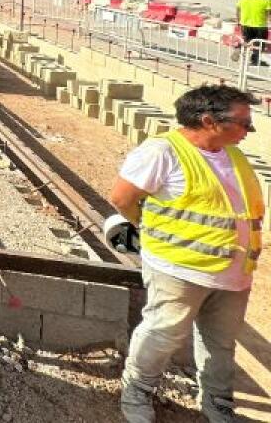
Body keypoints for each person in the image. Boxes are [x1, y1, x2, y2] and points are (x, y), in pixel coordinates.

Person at [108, 84, 263, 423]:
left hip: (233, 274)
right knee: (162, 334)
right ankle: (136, 392)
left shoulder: (233, 155)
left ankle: (217, 403)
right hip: (179, 270)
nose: (249, 131)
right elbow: (122, 198)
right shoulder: (163, 152)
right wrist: (149, 231)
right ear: (209, 121)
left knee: (221, 344)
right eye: (243, 123)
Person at [236, 0, 271, 65]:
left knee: (246, 40)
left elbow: (238, 11)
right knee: (259, 44)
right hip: (260, 26)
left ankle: (240, 52)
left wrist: (239, 21)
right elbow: (269, 14)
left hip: (245, 24)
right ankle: (254, 60)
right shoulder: (266, 0)